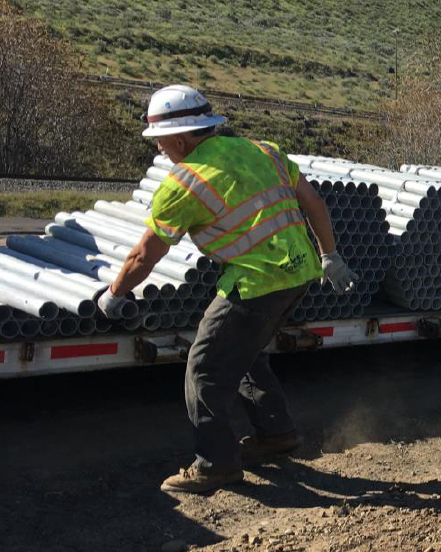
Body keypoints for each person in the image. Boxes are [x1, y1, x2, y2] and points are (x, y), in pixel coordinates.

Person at [95, 85, 358, 493]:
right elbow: (314, 202)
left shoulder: (183, 182)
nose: (160, 150)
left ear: (180, 139)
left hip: (256, 284)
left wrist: (113, 294)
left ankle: (215, 465)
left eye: (161, 142)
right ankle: (276, 433)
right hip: (301, 272)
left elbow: (144, 257)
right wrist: (330, 256)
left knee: (203, 368)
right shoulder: (263, 150)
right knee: (244, 351)